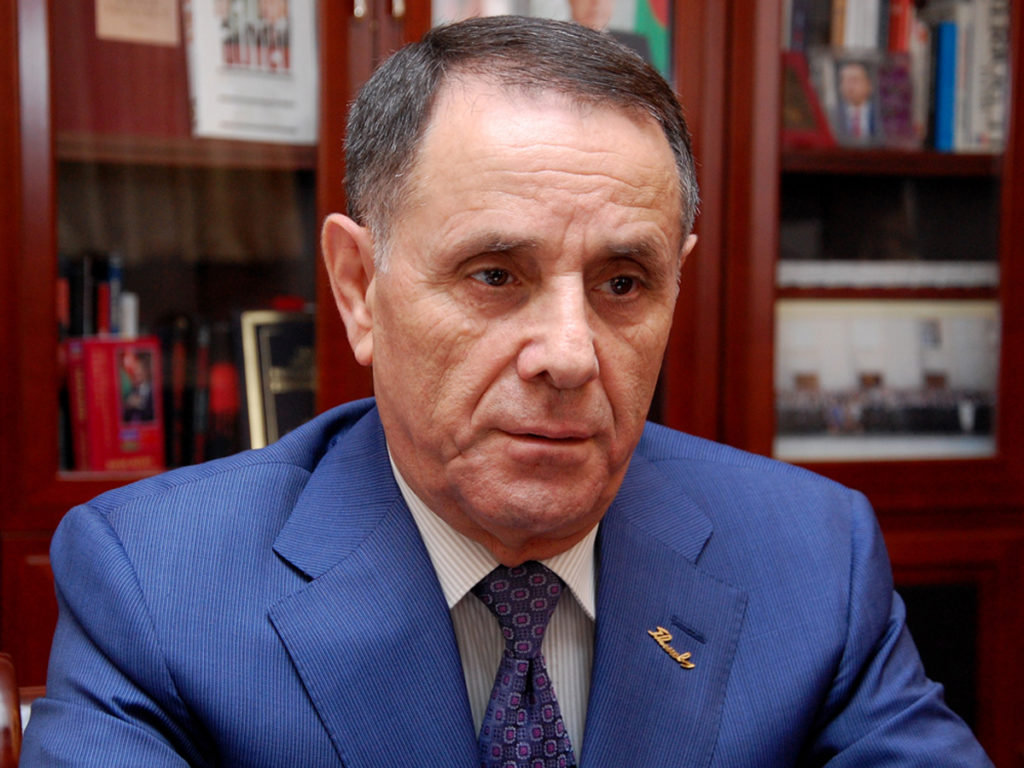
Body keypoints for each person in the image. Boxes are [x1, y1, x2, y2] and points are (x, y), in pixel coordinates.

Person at [21, 15, 992, 767]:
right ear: (358, 289)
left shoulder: (814, 562)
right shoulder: (158, 587)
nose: (568, 355)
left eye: (623, 284)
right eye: (495, 275)